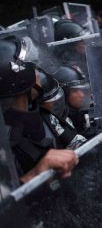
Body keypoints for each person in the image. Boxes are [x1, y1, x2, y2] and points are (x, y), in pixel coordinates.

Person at [0, 37, 78, 181]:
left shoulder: (44, 115)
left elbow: (80, 145)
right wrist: (35, 175)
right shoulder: (4, 141)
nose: (39, 74)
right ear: (21, 79)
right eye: (34, 69)